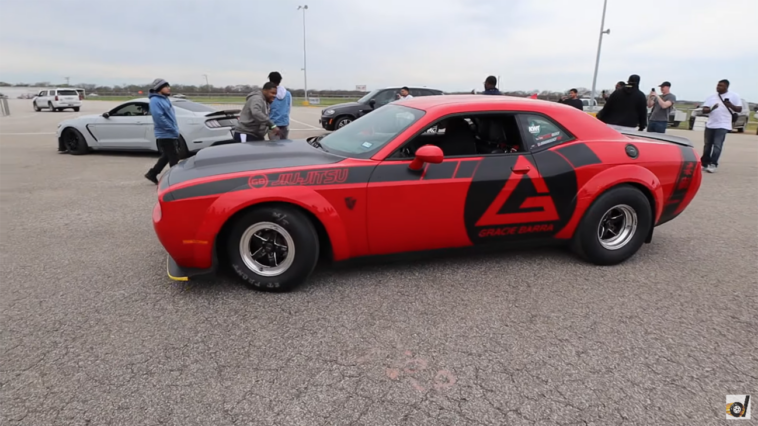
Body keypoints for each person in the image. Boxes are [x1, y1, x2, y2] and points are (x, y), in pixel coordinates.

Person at [700, 79, 742, 173]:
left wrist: (730, 105)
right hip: (711, 124)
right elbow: (704, 110)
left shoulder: (734, 96)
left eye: (721, 86)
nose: (718, 87)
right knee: (707, 145)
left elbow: (739, 109)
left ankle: (713, 164)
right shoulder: (711, 97)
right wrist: (711, 108)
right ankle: (704, 163)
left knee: (717, 145)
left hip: (723, 124)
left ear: (726, 87)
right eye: (717, 85)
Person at [144, 78, 180, 184]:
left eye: (168, 86)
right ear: (159, 88)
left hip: (171, 132)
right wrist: (171, 128)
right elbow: (158, 117)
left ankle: (152, 173)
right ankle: (175, 179)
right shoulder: (155, 100)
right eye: (166, 87)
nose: (169, 88)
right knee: (174, 157)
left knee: (166, 156)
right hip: (165, 134)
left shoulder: (164, 99)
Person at [268, 72, 292, 140]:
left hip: (273, 124)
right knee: (283, 146)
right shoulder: (287, 93)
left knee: (274, 147)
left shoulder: (270, 93)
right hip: (284, 123)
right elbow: (289, 108)